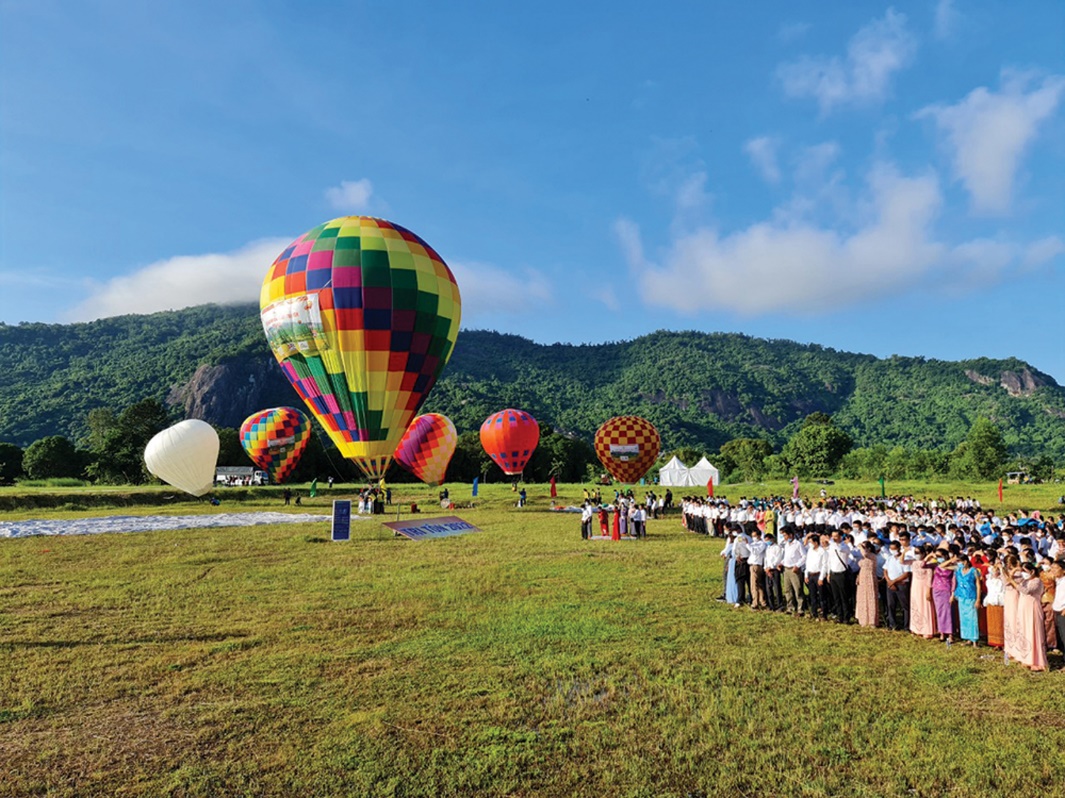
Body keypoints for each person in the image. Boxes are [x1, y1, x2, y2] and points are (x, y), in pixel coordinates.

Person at [909, 548, 937, 640]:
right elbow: (902, 561)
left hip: (924, 588)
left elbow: (929, 578)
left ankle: (927, 630)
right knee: (916, 606)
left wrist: (929, 590)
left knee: (925, 607)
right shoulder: (914, 563)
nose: (917, 554)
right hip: (915, 587)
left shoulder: (929, 565)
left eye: (919, 552)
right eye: (915, 553)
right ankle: (916, 628)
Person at [931, 547, 957, 643]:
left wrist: (952, 593)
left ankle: (950, 634)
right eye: (937, 556)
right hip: (936, 590)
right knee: (939, 612)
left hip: (946, 590)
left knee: (948, 612)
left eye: (939, 556)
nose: (937, 558)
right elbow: (924, 565)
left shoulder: (953, 566)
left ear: (945, 556)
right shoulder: (937, 565)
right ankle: (942, 632)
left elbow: (954, 581)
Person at [954, 555, 981, 646]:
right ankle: (967, 638)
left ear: (965, 561)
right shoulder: (958, 571)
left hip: (971, 597)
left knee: (972, 618)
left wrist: (978, 599)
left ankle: (974, 640)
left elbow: (978, 585)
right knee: (964, 618)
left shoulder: (974, 571)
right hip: (961, 596)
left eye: (960, 561)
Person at [855, 541, 879, 627]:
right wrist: (858, 577)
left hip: (870, 578)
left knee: (870, 597)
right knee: (862, 598)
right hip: (862, 578)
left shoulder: (872, 556)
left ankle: (872, 620)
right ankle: (863, 619)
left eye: (864, 547)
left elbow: (865, 554)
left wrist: (861, 547)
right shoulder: (863, 558)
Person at [983, 562, 1005, 649]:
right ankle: (995, 642)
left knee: (1000, 622)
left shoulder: (1002, 580)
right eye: (993, 571)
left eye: (996, 571)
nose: (994, 572)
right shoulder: (989, 580)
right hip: (991, 601)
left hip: (1000, 602)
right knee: (992, 622)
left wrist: (1001, 569)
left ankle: (1003, 642)